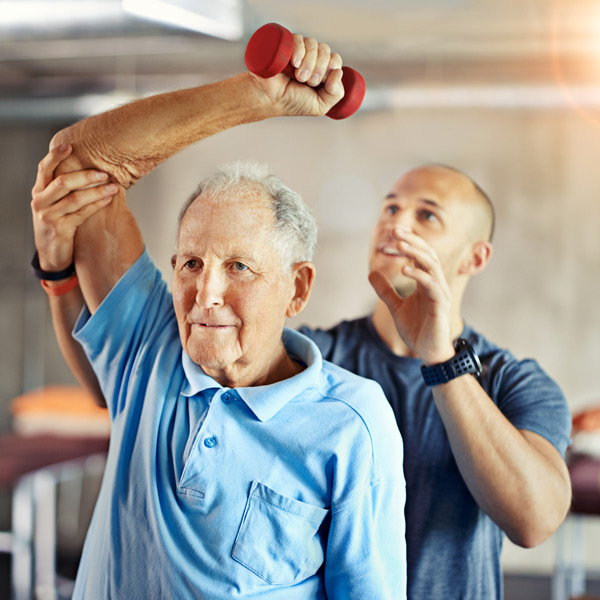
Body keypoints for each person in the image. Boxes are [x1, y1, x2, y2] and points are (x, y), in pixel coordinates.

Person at [32, 33, 572, 600]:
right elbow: (113, 379)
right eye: (390, 206)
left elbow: (534, 521)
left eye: (426, 214)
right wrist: (262, 98)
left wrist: (438, 357)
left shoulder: (490, 387)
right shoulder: (270, 351)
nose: (398, 225)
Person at [30, 34, 407, 599]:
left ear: (297, 288)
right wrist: (258, 95)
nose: (205, 292)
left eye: (238, 267)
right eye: (190, 263)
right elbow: (79, 160)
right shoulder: (153, 348)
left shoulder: (351, 422)